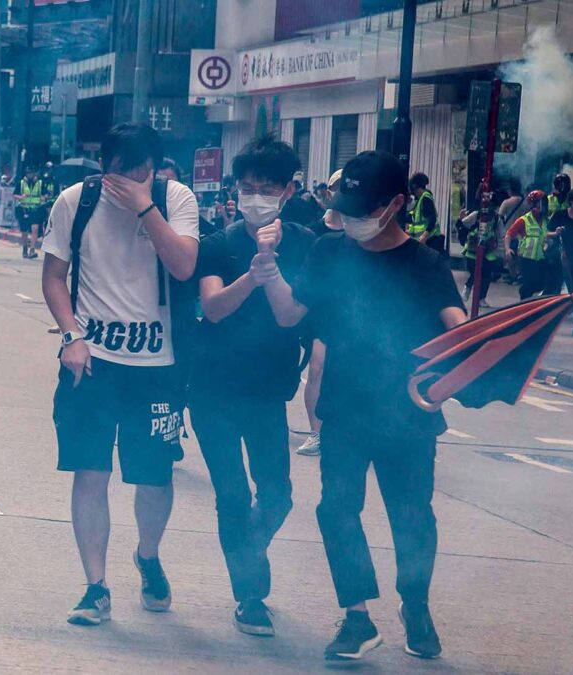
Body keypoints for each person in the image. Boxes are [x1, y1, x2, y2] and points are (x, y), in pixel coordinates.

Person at [263, 151, 467, 661]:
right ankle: (356, 617)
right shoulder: (330, 253)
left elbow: (457, 325)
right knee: (336, 508)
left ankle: (414, 605)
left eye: (361, 208)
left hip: (408, 415)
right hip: (346, 409)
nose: (349, 217)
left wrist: (493, 343)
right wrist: (267, 273)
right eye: (345, 205)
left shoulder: (425, 264)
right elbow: (290, 315)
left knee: (412, 515)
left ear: (396, 204)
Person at [40, 123, 199, 626]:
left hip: (158, 366)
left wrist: (145, 207)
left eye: (141, 174)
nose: (128, 183)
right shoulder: (75, 201)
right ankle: (95, 586)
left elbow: (183, 267)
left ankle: (148, 557)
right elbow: (52, 276)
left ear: (154, 170)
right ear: (103, 167)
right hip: (92, 362)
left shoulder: (177, 201)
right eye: (119, 175)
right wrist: (71, 336)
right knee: (91, 470)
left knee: (153, 477)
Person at [188, 137, 313, 636]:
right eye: (247, 188)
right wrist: (254, 274)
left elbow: (289, 316)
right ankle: (250, 594)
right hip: (213, 388)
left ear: (288, 190)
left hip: (267, 390)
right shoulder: (217, 244)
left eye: (266, 188)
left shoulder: (306, 244)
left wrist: (275, 266)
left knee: (278, 494)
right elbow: (213, 308)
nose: (255, 197)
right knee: (234, 495)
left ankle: (245, 552)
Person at [296, 167, 343, 457]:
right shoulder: (314, 230)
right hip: (318, 312)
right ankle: (317, 432)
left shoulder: (361, 231)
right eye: (336, 188)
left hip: (351, 314)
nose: (340, 194)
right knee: (317, 366)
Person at [505, 190, 557, 300]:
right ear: (533, 205)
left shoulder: (546, 220)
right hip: (526, 258)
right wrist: (507, 249)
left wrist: (556, 233)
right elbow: (509, 234)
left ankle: (527, 296)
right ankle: (524, 301)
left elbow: (544, 234)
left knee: (542, 283)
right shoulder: (523, 220)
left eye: (544, 204)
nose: (542, 207)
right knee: (530, 283)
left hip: (541, 257)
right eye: (539, 204)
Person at [549, 186, 573, 335]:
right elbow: (545, 232)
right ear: (571, 200)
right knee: (560, 290)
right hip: (562, 260)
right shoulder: (560, 216)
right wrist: (555, 233)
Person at [457, 206, 498, 308]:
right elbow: (463, 223)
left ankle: (481, 298)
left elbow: (501, 234)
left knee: (487, 276)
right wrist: (461, 218)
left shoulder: (497, 219)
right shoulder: (475, 215)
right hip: (473, 252)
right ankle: (466, 290)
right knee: (475, 273)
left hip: (488, 254)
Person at [407, 172, 443, 255]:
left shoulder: (425, 198)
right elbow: (415, 218)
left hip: (430, 240)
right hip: (425, 241)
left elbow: (432, 219)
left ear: (415, 186)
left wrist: (424, 236)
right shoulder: (420, 199)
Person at [16, 165, 47, 259]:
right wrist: (21, 197)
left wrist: (44, 197)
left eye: (32, 173)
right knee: (24, 231)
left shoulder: (40, 183)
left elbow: (46, 194)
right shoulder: (21, 183)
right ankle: (25, 248)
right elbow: (14, 195)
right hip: (24, 209)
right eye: (28, 173)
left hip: (35, 209)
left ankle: (32, 250)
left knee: (35, 229)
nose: (30, 175)